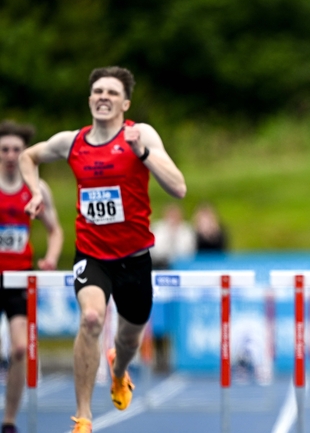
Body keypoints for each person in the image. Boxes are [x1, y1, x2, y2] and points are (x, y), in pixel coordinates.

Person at [19, 66, 187, 433]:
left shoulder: (140, 135)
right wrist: (33, 191)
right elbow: (27, 157)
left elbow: (179, 188)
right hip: (92, 256)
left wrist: (143, 153)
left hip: (135, 258)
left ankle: (120, 371)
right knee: (91, 319)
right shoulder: (71, 142)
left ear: (125, 102)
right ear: (90, 99)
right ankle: (84, 417)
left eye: (112, 92)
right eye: (97, 91)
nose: (103, 97)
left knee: (128, 338)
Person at [0, 121, 62, 433]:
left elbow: (56, 231)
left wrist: (50, 258)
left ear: (25, 153)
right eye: (5, 150)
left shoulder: (37, 189)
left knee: (21, 349)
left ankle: (8, 421)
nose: (11, 155)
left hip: (19, 278)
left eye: (16, 150)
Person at [150, 203, 195, 269]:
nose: (173, 219)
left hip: (183, 265)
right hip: (159, 265)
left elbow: (188, 251)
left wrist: (175, 236)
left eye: (175, 215)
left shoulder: (187, 230)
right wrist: (169, 236)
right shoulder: (158, 228)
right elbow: (156, 250)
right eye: (171, 215)